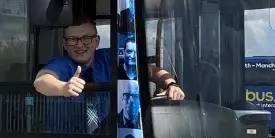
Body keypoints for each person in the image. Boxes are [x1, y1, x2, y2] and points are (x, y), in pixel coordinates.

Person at [33, 17, 184, 113]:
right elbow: (41, 81)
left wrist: (171, 85)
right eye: (72, 39)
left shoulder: (107, 57)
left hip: (108, 135)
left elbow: (149, 70)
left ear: (97, 41)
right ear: (65, 44)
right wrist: (63, 88)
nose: (79, 45)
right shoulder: (61, 63)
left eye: (86, 38)